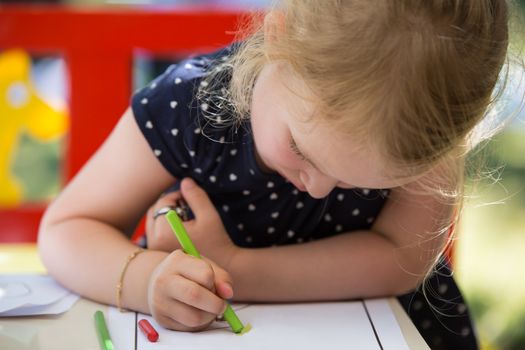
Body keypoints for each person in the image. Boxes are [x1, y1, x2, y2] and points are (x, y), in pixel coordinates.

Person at [38, 1, 510, 348]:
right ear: (279, 39)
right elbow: (67, 231)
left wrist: (236, 269)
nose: (319, 186)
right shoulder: (187, 109)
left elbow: (402, 259)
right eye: (300, 149)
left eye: (360, 181)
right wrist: (148, 280)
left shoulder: (427, 121)